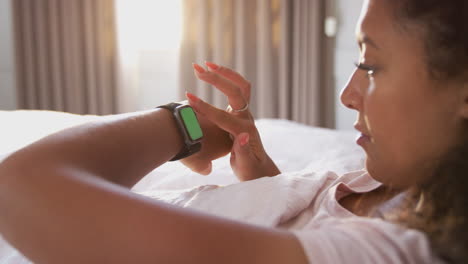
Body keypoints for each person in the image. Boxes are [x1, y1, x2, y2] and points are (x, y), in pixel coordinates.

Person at [0, 0, 467, 262]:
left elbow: (18, 189)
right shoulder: (406, 184)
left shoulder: (399, 255)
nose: (348, 94)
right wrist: (263, 173)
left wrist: (183, 125)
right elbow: (316, 226)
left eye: (370, 64)